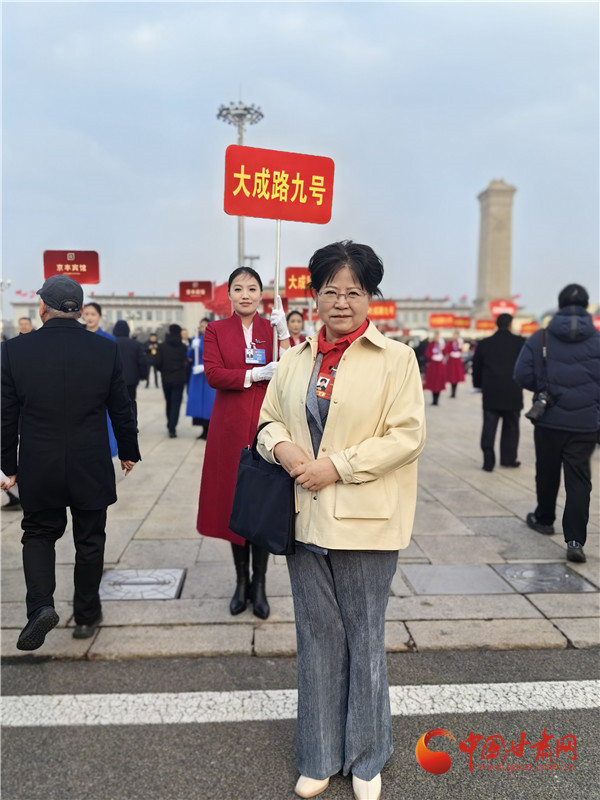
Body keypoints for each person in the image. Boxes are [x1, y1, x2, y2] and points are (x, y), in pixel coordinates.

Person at [257, 241, 426, 800]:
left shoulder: (396, 359)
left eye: (354, 291)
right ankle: (319, 754)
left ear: (370, 296)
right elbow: (268, 421)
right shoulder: (294, 359)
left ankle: (368, 756)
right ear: (315, 296)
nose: (342, 302)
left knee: (364, 639)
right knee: (316, 639)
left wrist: (337, 466)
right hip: (304, 519)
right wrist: (283, 450)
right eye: (331, 291)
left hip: (366, 521)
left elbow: (406, 436)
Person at [1, 275, 140, 650]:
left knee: (38, 533)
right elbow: (121, 407)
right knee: (90, 540)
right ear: (80, 311)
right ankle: (87, 614)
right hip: (90, 463)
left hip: (39, 464)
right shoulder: (105, 350)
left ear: (42, 308)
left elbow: (6, 416)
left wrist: (7, 466)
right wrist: (128, 450)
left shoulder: (14, 351)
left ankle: (40, 607)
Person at [196, 267, 290, 621]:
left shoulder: (272, 329)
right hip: (229, 425)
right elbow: (213, 374)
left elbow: (294, 369)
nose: (245, 294)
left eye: (252, 288)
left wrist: (285, 334)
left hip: (266, 422)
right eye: (238, 289)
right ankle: (241, 583)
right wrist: (254, 374)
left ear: (262, 294)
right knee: (235, 502)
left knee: (261, 502)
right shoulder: (216, 330)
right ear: (230, 295)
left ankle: (260, 584)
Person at [513, 284, 600, 563]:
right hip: (585, 422)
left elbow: (521, 374)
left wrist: (543, 387)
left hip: (549, 418)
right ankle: (575, 540)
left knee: (547, 471)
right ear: (586, 307)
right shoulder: (598, 340)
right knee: (579, 480)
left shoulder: (541, 337)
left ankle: (544, 519)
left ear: (560, 306)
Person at [472, 313, 525, 472]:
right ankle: (509, 459)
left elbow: (476, 367)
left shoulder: (485, 343)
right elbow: (526, 366)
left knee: (489, 427)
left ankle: (488, 461)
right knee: (511, 427)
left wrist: (478, 385)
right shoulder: (520, 342)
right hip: (513, 390)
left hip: (491, 391)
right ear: (510, 324)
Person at [82, 302, 118, 458]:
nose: (89, 317)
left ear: (100, 317)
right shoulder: (77, 336)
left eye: (93, 314)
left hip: (102, 388)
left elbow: (115, 366)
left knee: (105, 423)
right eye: (87, 314)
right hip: (81, 387)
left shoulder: (109, 339)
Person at [112, 320, 148, 427]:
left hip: (114, 380)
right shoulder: (136, 344)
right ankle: (133, 424)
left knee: (115, 403)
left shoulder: (110, 342)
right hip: (131, 379)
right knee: (131, 402)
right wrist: (143, 375)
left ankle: (118, 425)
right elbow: (142, 362)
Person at [156, 324, 188, 438]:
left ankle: (170, 424)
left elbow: (157, 363)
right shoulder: (183, 347)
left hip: (166, 379)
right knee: (176, 403)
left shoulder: (162, 346)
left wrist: (164, 370)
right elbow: (186, 362)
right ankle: (172, 427)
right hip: (179, 379)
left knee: (169, 402)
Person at [186, 319, 216, 439]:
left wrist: (205, 366)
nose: (202, 328)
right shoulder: (196, 339)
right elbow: (189, 356)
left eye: (205, 326)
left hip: (208, 372)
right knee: (198, 402)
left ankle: (209, 429)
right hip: (197, 375)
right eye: (201, 326)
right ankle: (203, 429)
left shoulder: (214, 339)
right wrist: (192, 347)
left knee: (209, 402)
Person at [423, 331, 446, 405]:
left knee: (439, 382)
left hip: (439, 366)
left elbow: (445, 352)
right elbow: (427, 353)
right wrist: (432, 356)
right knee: (433, 382)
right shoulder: (431, 345)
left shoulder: (441, 345)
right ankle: (434, 400)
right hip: (433, 366)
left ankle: (437, 400)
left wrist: (443, 346)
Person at [444, 330, 466, 397]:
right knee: (452, 376)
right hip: (451, 362)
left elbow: (461, 350)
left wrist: (460, 348)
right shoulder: (450, 343)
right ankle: (452, 392)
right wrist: (451, 353)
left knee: (456, 377)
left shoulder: (459, 343)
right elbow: (446, 350)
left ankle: (454, 392)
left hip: (457, 362)